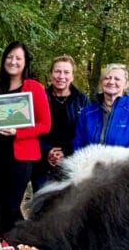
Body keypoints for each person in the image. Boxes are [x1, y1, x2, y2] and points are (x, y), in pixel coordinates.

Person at [0, 42, 51, 237]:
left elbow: (45, 124)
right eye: (10, 57)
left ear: (25, 62)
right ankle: (2, 246)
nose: (13, 61)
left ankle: (21, 245)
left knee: (11, 205)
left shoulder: (34, 88)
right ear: (4, 60)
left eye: (18, 58)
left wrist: (17, 132)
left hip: (20, 156)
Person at [31, 55, 88, 192]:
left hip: (73, 163)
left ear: (72, 76)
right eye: (57, 71)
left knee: (71, 208)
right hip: (42, 164)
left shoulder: (82, 100)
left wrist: (66, 152)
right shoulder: (39, 98)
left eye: (66, 72)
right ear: (51, 74)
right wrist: (47, 151)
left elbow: (86, 132)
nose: (61, 76)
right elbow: (31, 130)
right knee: (43, 209)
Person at [74, 63, 129, 150]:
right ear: (101, 83)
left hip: (122, 163)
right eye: (107, 78)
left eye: (117, 79)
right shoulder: (87, 112)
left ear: (126, 84)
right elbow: (78, 143)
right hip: (90, 162)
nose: (111, 82)